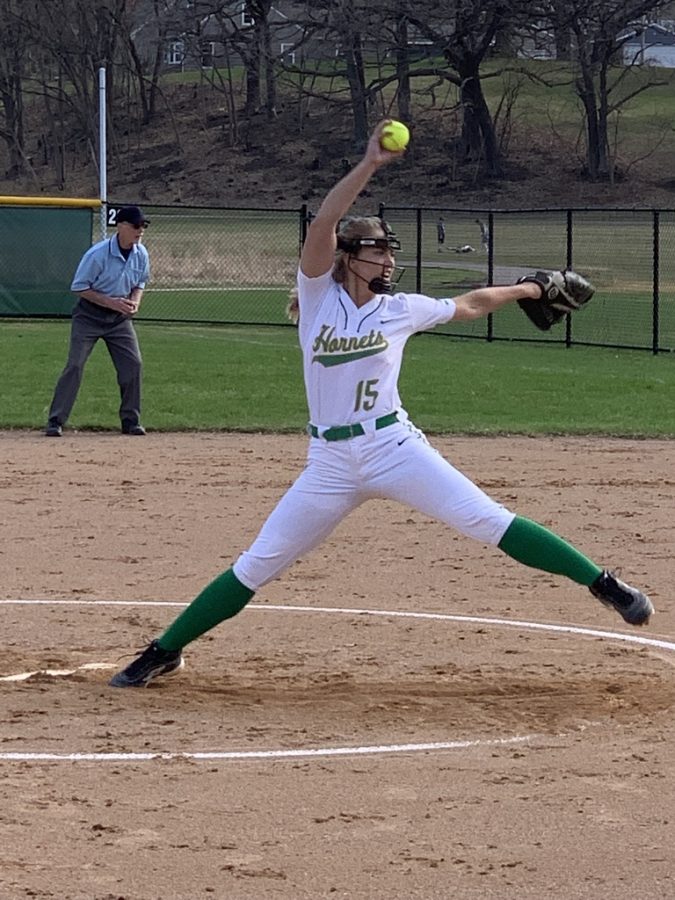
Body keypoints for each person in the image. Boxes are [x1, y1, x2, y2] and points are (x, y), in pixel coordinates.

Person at [109, 121, 653, 688]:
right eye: (376, 252)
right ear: (347, 257)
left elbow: (468, 304)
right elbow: (323, 222)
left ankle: (605, 584)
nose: (387, 262)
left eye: (390, 253)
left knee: (487, 519)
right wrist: (369, 164)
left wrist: (529, 290)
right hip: (329, 463)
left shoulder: (400, 310)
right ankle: (165, 649)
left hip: (394, 446)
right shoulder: (319, 298)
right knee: (259, 562)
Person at [44, 205, 151, 437]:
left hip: (119, 319)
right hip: (89, 316)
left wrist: (135, 301)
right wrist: (113, 303)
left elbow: (140, 283)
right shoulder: (98, 254)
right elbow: (79, 287)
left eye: (143, 226)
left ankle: (130, 421)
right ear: (121, 226)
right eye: (135, 225)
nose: (140, 230)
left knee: (133, 364)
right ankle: (55, 421)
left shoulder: (141, 253)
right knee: (75, 365)